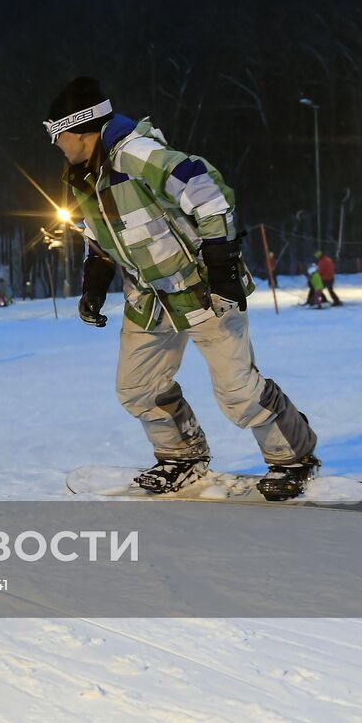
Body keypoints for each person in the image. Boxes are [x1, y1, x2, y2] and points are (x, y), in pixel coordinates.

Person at [47, 75, 318, 500]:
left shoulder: (137, 154)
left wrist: (222, 262)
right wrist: (95, 278)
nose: (55, 145)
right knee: (137, 387)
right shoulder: (84, 176)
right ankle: (181, 457)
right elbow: (99, 233)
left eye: (56, 134)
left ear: (80, 129)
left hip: (202, 289)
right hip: (149, 298)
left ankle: (294, 458)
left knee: (237, 392)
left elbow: (207, 193)